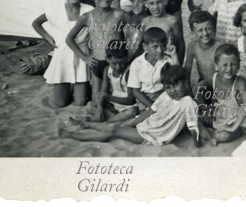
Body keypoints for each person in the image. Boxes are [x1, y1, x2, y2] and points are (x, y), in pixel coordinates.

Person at [60, 64, 202, 149]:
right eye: (169, 87)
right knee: (119, 126)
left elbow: (193, 126)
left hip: (151, 136)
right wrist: (133, 124)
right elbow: (149, 112)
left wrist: (197, 146)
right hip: (146, 125)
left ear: (184, 82)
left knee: (113, 130)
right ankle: (84, 124)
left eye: (176, 85)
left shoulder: (188, 102)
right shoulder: (166, 95)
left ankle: (73, 135)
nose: (173, 91)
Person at [32, 0, 93, 108]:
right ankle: (66, 90)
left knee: (81, 103)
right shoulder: (55, 11)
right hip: (62, 56)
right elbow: (36, 23)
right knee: (60, 103)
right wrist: (49, 39)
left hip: (82, 55)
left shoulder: (89, 10)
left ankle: (78, 89)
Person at [65, 0, 131, 96]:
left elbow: (138, 29)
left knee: (118, 94)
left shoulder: (119, 14)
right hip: (97, 63)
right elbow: (69, 39)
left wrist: (130, 53)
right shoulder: (87, 17)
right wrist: (85, 57)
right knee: (97, 98)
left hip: (117, 63)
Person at [196, 44, 246, 145]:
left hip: (234, 121)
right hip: (218, 117)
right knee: (192, 117)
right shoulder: (214, 78)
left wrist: (233, 127)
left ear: (238, 65)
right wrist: (205, 110)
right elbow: (197, 89)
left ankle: (240, 131)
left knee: (220, 136)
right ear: (216, 66)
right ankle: (208, 137)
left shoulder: (239, 82)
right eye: (225, 65)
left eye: (233, 64)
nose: (229, 68)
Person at [127, 27, 174, 110]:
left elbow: (177, 77)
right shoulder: (137, 63)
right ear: (145, 47)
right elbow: (135, 91)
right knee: (145, 118)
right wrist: (152, 107)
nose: (160, 50)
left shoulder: (168, 61)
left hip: (163, 96)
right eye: (155, 47)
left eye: (163, 46)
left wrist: (174, 56)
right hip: (144, 99)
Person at [88, 46, 138, 123]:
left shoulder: (129, 73)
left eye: (121, 63)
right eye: (114, 64)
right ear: (107, 59)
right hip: (114, 106)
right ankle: (117, 119)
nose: (118, 67)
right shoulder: (107, 70)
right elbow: (102, 93)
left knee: (133, 111)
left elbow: (131, 100)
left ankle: (108, 120)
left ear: (126, 58)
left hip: (128, 106)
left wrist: (108, 97)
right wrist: (100, 110)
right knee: (90, 105)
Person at [141, 0, 185, 65]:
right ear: (146, 4)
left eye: (159, 2)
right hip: (150, 62)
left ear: (165, 1)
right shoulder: (145, 22)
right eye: (151, 3)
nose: (156, 7)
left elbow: (181, 44)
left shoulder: (172, 21)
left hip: (168, 62)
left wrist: (178, 66)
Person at [183, 10, 219, 94]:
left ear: (213, 28)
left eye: (208, 28)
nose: (205, 33)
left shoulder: (219, 46)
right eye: (200, 31)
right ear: (192, 32)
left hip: (219, 85)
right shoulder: (192, 46)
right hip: (203, 84)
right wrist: (189, 92)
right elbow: (187, 71)